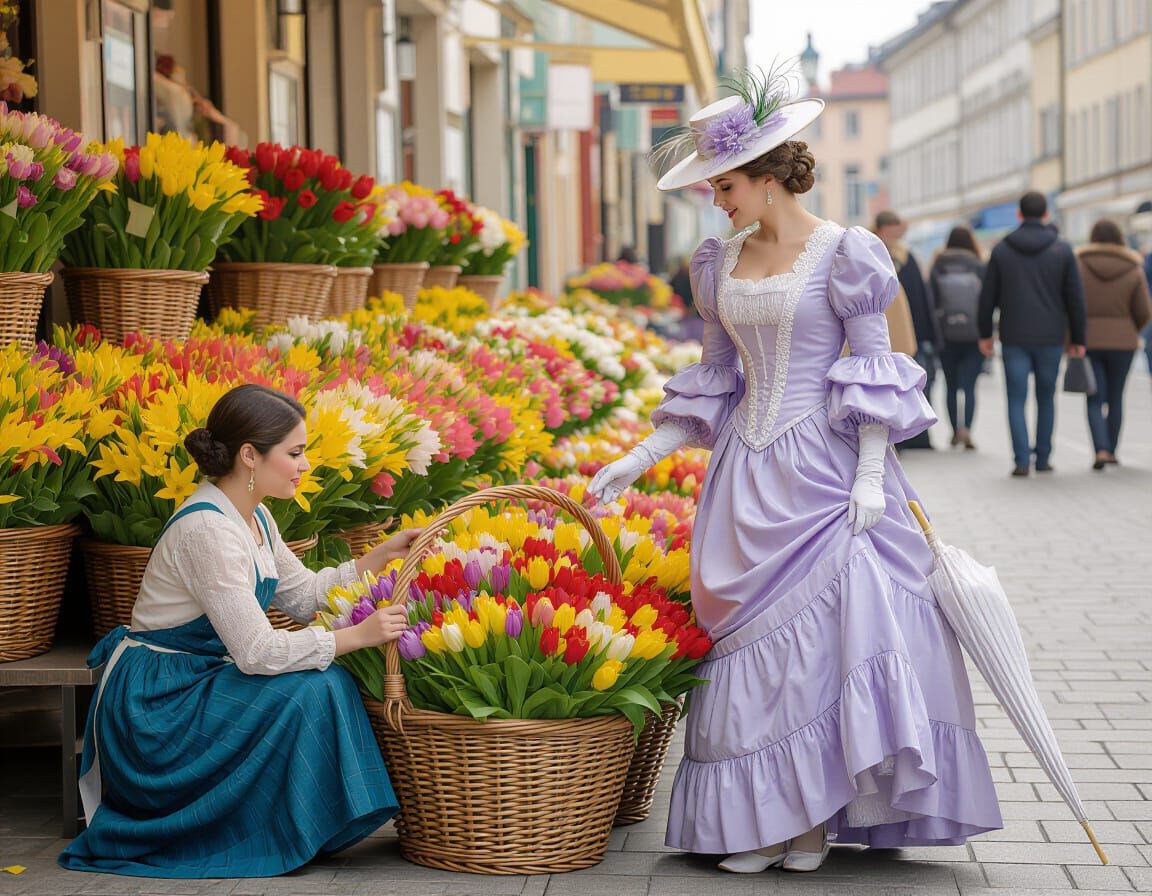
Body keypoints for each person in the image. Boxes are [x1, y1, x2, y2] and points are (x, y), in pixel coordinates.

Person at [590, 75, 1001, 875]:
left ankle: (812, 821)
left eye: (727, 185)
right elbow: (711, 384)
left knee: (828, 645)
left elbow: (876, 369)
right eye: (714, 186)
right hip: (744, 475)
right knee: (751, 651)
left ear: (769, 179)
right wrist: (635, 459)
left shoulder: (847, 253)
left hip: (831, 474)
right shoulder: (715, 264)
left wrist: (873, 477)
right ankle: (765, 822)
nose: (717, 200)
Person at [60, 384, 420, 878]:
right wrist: (354, 637)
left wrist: (381, 556)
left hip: (199, 677)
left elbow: (305, 595)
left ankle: (301, 825)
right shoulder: (208, 531)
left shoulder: (256, 518)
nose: (305, 464)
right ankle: (267, 829)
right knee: (313, 688)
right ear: (250, 455)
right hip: (159, 702)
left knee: (324, 683)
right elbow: (255, 652)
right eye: (294, 453)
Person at [978, 192, 1087, 477]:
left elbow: (987, 296)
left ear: (1019, 214)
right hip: (1051, 336)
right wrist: (1078, 339)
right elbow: (1075, 298)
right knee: (1046, 396)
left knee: (1016, 398)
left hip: (1014, 335)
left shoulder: (1002, 249)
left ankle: (1021, 459)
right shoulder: (1062, 250)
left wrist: (985, 333)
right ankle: (1043, 458)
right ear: (1046, 214)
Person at [1075, 219, 1152, 469]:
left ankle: (1100, 449)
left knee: (1094, 396)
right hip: (1124, 341)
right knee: (1116, 396)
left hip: (1089, 339)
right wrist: (1131, 330)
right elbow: (1144, 310)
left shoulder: (1080, 265)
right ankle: (1112, 449)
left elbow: (1072, 304)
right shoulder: (1133, 267)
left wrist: (1073, 336)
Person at [874, 210, 939, 449]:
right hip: (891, 329)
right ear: (886, 228)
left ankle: (903, 436)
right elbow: (920, 298)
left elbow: (920, 297)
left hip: (895, 329)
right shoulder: (888, 254)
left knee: (895, 385)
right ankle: (901, 436)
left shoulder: (892, 254)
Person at [927, 226, 986, 449]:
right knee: (970, 386)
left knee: (951, 386)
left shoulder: (938, 266)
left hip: (946, 335)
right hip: (974, 334)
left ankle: (954, 431)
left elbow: (930, 302)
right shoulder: (979, 266)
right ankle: (967, 430)